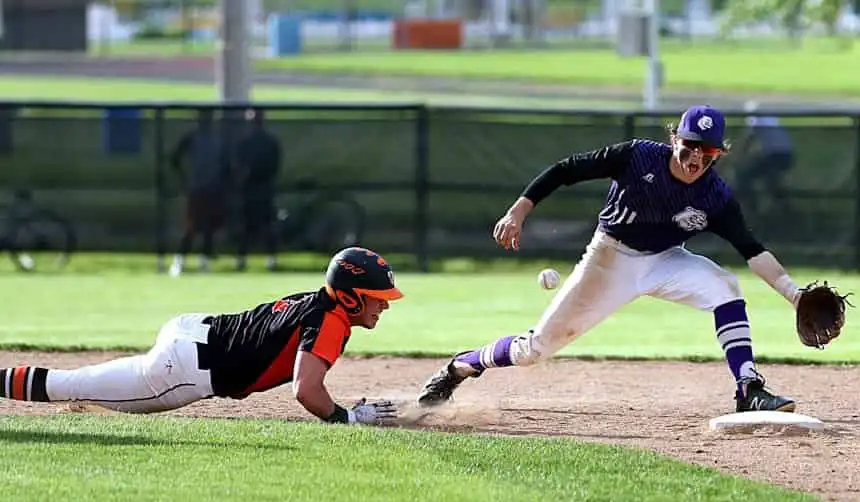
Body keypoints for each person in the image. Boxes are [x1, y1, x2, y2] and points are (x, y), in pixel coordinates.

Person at [416, 105, 814, 414]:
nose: (695, 158)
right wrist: (518, 212)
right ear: (674, 138)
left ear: (718, 155)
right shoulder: (638, 157)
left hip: (665, 261)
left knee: (726, 287)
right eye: (689, 146)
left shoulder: (715, 196)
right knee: (534, 351)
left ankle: (748, 388)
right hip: (609, 259)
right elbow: (565, 170)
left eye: (707, 152)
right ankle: (460, 367)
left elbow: (752, 249)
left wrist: (795, 296)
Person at [0, 247, 403, 426]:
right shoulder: (331, 320)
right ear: (350, 297)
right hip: (184, 369)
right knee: (71, 385)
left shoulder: (314, 302)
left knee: (86, 383)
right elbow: (306, 390)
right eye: (377, 298)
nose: (384, 305)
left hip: (192, 330)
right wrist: (347, 418)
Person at [169, 108, 231, 277]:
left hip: (213, 188)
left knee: (209, 228)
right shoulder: (192, 137)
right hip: (196, 188)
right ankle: (179, 261)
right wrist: (184, 178)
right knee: (190, 227)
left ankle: (205, 262)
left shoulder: (218, 140)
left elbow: (226, 165)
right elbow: (175, 157)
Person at [232, 108, 284, 273]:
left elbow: (275, 164)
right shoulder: (245, 143)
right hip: (249, 189)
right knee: (246, 225)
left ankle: (271, 259)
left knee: (267, 225)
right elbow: (239, 165)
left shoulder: (269, 142)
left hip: (264, 188)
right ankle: (241, 259)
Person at [733, 100, 794, 218]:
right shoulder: (772, 120)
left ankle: (753, 211)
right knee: (771, 181)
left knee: (743, 176)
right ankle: (785, 209)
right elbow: (767, 144)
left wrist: (735, 158)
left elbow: (746, 142)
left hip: (775, 156)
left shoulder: (755, 120)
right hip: (785, 155)